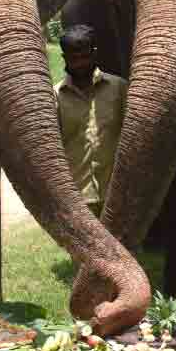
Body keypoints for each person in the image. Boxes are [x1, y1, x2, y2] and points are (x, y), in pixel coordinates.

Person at [54, 25, 127, 218]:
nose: (79, 64)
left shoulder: (119, 88)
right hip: (77, 199)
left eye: (84, 57)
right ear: (64, 58)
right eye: (73, 58)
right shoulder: (55, 96)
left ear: (94, 53)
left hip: (116, 195)